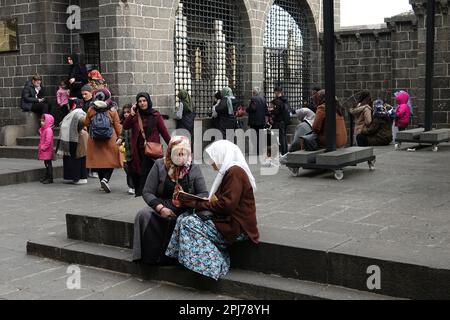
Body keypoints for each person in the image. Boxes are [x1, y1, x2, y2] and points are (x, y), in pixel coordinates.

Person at [165, 140, 259, 280]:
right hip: (226, 218)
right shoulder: (230, 171)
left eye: (214, 159)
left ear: (222, 156)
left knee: (189, 223)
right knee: (182, 217)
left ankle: (215, 264)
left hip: (236, 225)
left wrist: (199, 204)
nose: (213, 164)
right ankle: (181, 259)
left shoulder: (235, 172)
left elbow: (227, 206)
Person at [132, 136, 209, 265]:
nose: (180, 156)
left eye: (183, 153)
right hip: (164, 205)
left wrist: (191, 201)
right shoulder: (159, 165)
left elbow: (203, 192)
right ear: (170, 152)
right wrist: (160, 208)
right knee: (143, 215)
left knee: (186, 221)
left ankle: (178, 259)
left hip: (186, 208)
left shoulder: (194, 167)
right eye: (177, 153)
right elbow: (147, 192)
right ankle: (150, 258)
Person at [123, 92, 171, 197]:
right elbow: (126, 126)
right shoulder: (135, 116)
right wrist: (131, 113)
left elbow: (164, 132)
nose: (142, 103)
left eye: (144, 101)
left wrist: (172, 145)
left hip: (151, 150)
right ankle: (144, 193)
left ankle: (143, 194)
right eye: (139, 101)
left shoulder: (155, 115)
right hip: (137, 150)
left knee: (146, 172)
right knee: (138, 172)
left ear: (148, 101)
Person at [83, 98, 122, 193]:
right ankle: (105, 179)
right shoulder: (112, 109)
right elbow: (117, 124)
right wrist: (120, 136)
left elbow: (86, 123)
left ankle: (101, 182)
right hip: (110, 138)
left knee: (99, 162)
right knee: (112, 160)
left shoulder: (91, 109)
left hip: (95, 139)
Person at [57, 100, 88, 185]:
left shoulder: (76, 113)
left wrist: (82, 126)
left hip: (77, 138)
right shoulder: (80, 112)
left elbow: (83, 121)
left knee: (77, 158)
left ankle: (79, 177)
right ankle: (81, 177)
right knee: (81, 157)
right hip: (80, 137)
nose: (68, 107)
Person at [117, 104, 135, 195]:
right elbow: (122, 134)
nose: (126, 114)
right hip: (127, 151)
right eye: (124, 113)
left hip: (135, 150)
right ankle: (131, 186)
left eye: (128, 112)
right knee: (127, 169)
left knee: (134, 169)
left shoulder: (135, 122)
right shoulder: (124, 124)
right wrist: (120, 139)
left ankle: (134, 186)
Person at [268, 87, 290, 156]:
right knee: (283, 137)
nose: (274, 93)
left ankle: (281, 153)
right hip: (285, 121)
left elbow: (277, 112)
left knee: (279, 138)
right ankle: (285, 152)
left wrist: (271, 110)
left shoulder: (277, 101)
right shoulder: (285, 100)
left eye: (275, 92)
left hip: (278, 122)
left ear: (277, 92)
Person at [247, 87, 267, 156]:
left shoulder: (253, 99)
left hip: (254, 121)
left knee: (254, 136)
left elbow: (253, 108)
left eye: (252, 91)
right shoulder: (263, 99)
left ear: (254, 93)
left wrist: (247, 109)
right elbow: (266, 110)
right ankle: (260, 150)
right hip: (261, 120)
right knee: (260, 136)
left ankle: (256, 150)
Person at [38, 114, 55, 184]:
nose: (42, 122)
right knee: (46, 164)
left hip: (47, 150)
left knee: (48, 164)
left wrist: (43, 147)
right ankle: (47, 176)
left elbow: (48, 141)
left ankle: (50, 178)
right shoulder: (45, 129)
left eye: (43, 121)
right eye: (41, 121)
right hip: (45, 151)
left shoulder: (48, 130)